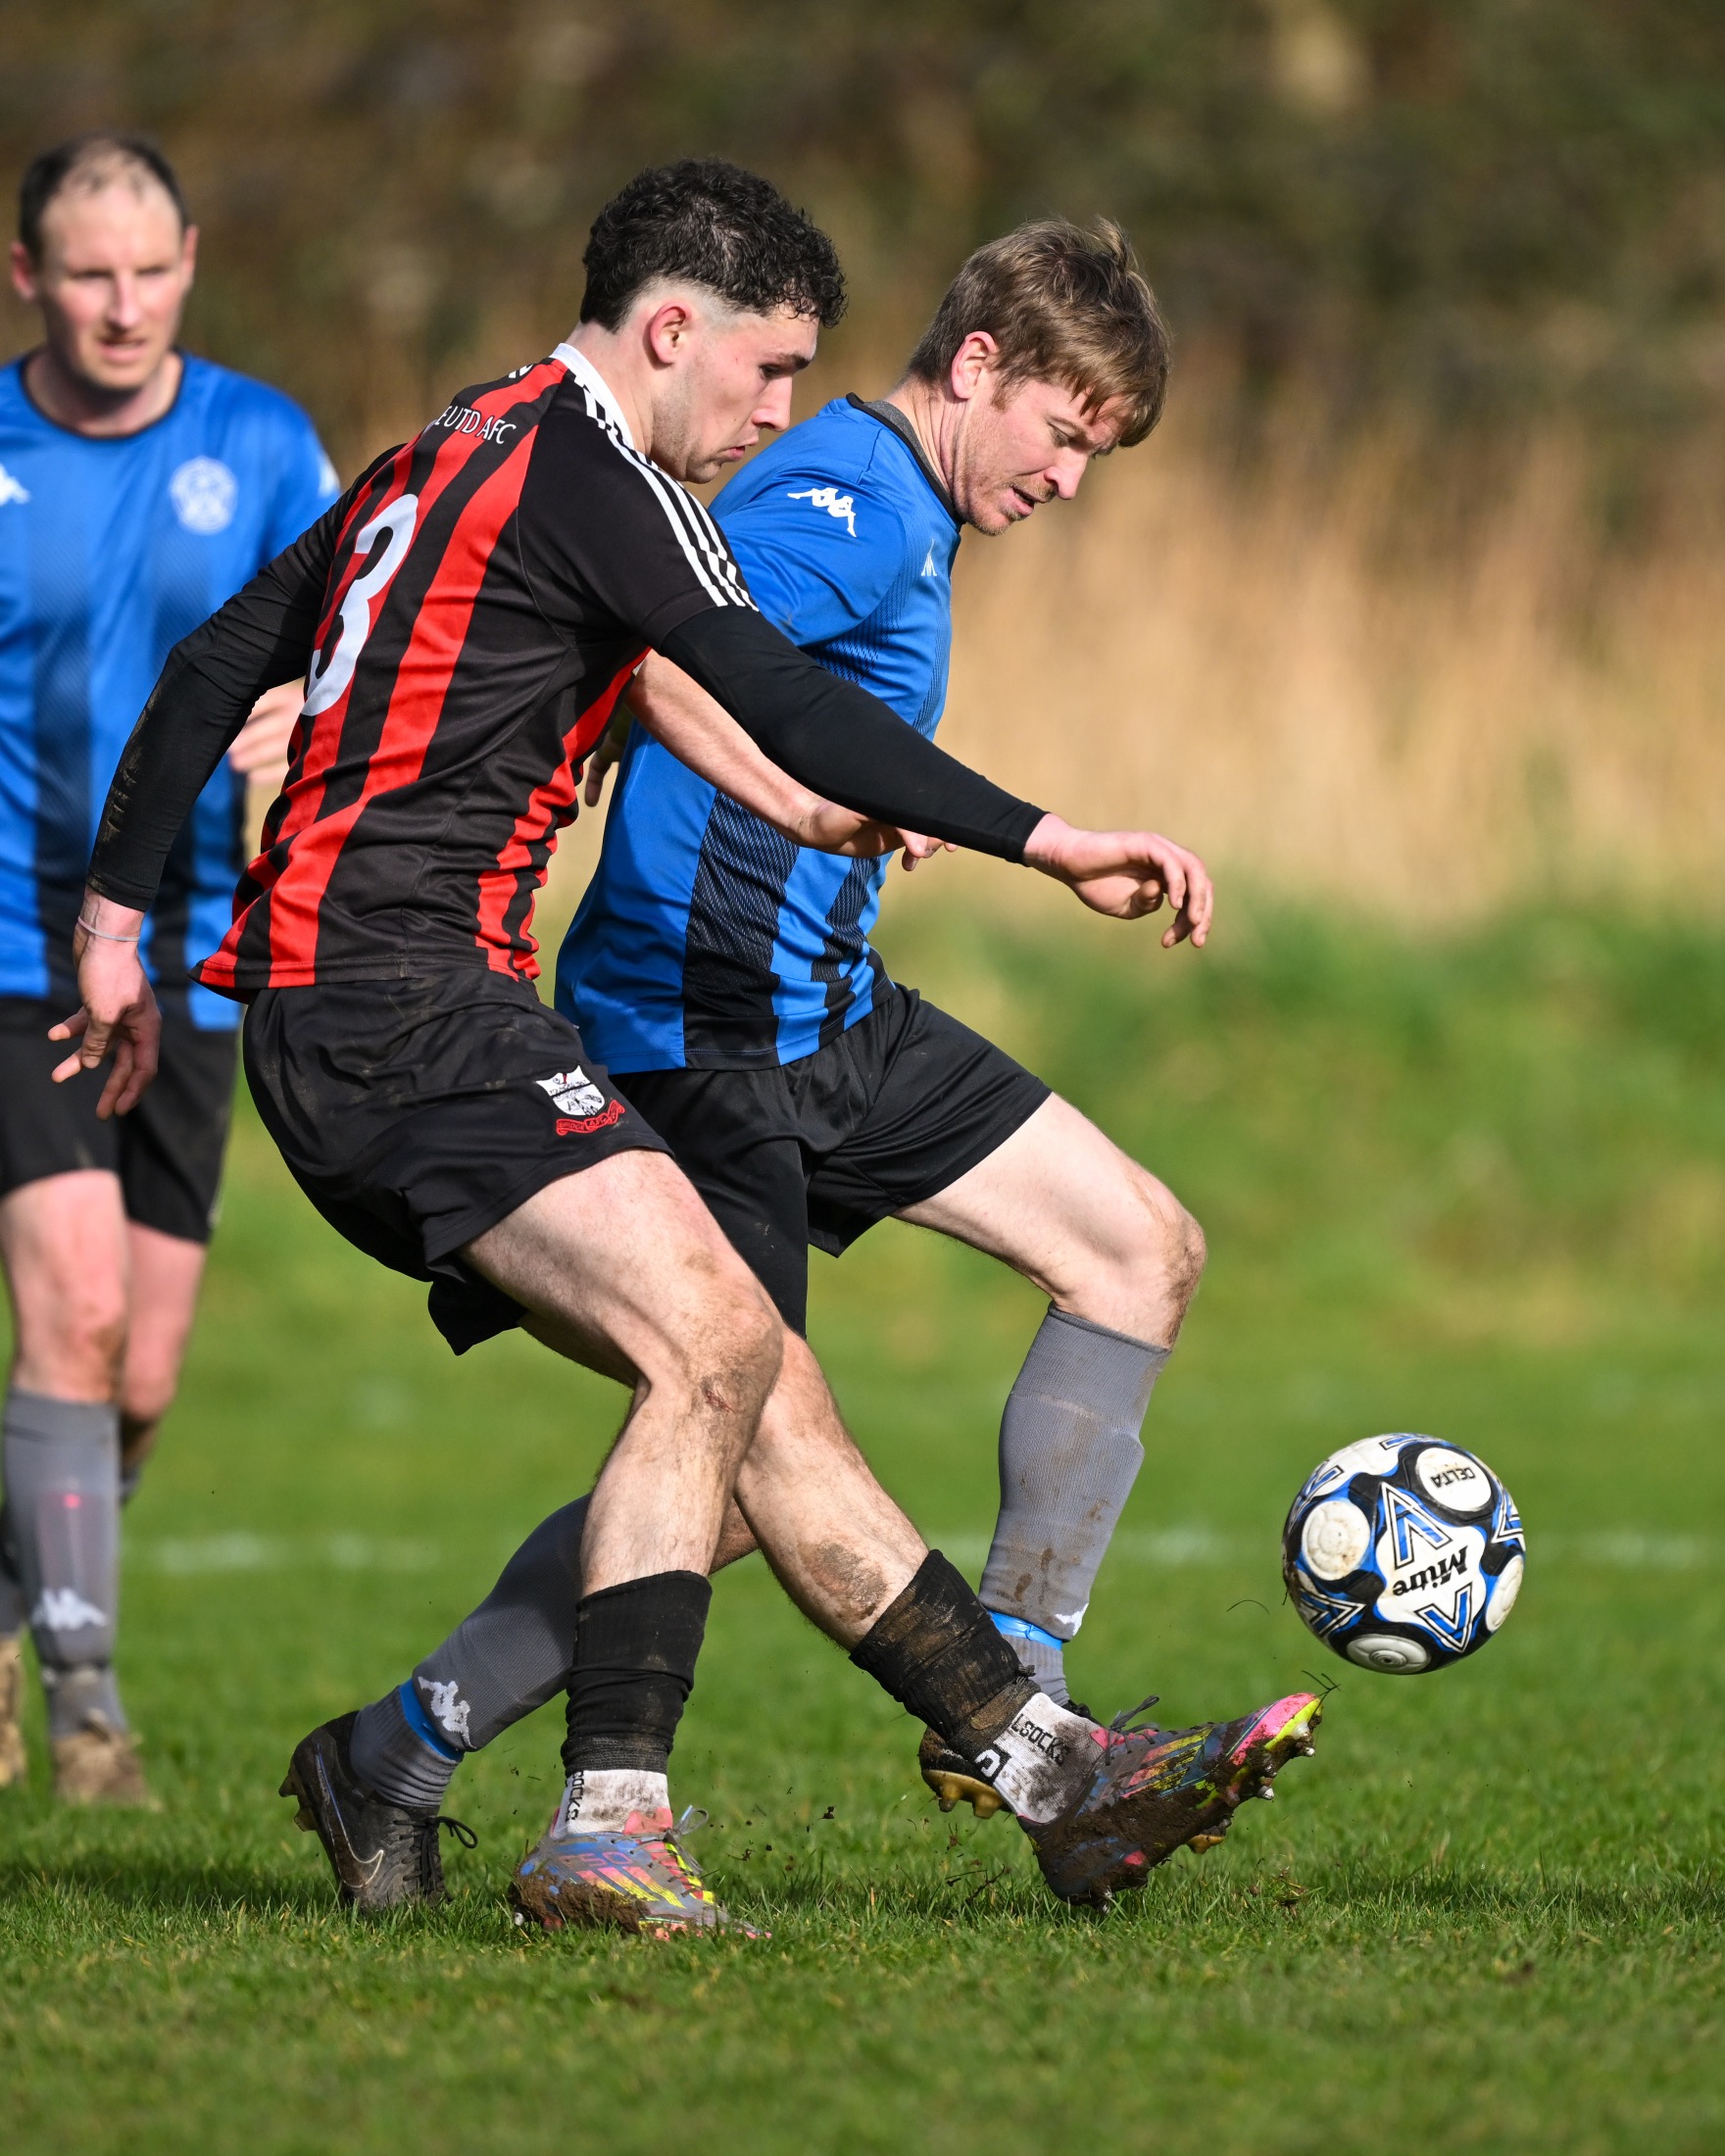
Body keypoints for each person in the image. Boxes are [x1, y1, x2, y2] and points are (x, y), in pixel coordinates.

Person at [63, 160, 1320, 1933]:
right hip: (408, 1005)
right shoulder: (607, 477)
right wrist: (1049, 840)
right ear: (672, 330)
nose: (785, 410)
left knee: (749, 1380)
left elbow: (218, 664)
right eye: (769, 367)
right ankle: (610, 1822)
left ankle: (1051, 1770)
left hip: (400, 1001)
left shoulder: (459, 441)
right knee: (724, 1348)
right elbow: (766, 675)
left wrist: (114, 927)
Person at [364, 215, 1226, 1837]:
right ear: (978, 364)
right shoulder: (848, 504)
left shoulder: (904, 514)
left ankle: (1021, 1677)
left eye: (1097, 456)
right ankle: (402, 1746)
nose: (1069, 479)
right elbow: (652, 648)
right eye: (1063, 433)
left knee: (1138, 1250)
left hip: (828, 1011)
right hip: (698, 1025)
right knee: (737, 1454)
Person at [0, 132, 337, 1804]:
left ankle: (15, 1603)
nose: (123, 305)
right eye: (87, 274)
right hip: (17, 947)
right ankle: (84, 1715)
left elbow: (356, 643)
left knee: (139, 1375)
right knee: (71, 1310)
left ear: (191, 261)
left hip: (199, 961)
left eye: (150, 271)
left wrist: (299, 709)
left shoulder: (263, 443)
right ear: (27, 279)